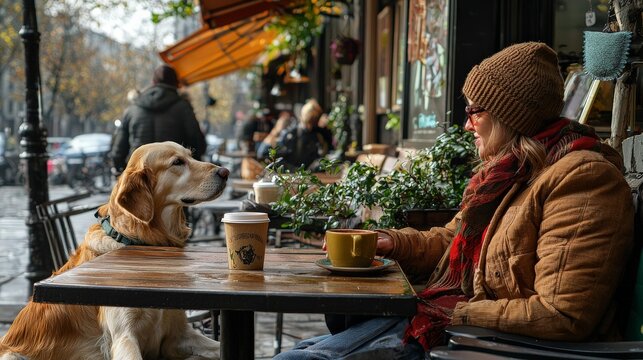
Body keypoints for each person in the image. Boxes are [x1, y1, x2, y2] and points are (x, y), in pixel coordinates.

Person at [274, 42, 634, 359]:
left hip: (495, 345)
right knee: (299, 352)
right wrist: (392, 242)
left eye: (475, 112)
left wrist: (457, 312)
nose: (467, 125)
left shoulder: (581, 178)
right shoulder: (506, 175)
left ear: (510, 116)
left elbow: (563, 315)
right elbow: (452, 240)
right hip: (455, 329)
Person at [110, 65, 206, 174]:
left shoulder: (133, 108)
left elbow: (118, 151)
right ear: (176, 84)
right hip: (174, 178)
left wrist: (123, 171)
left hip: (140, 176)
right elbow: (197, 143)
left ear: (153, 82)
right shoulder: (183, 108)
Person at [274, 99, 334, 170]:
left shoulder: (317, 134)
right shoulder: (290, 134)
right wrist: (295, 170)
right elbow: (279, 159)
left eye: (314, 120)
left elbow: (322, 155)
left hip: (311, 175)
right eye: (310, 120)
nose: (311, 125)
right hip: (292, 175)